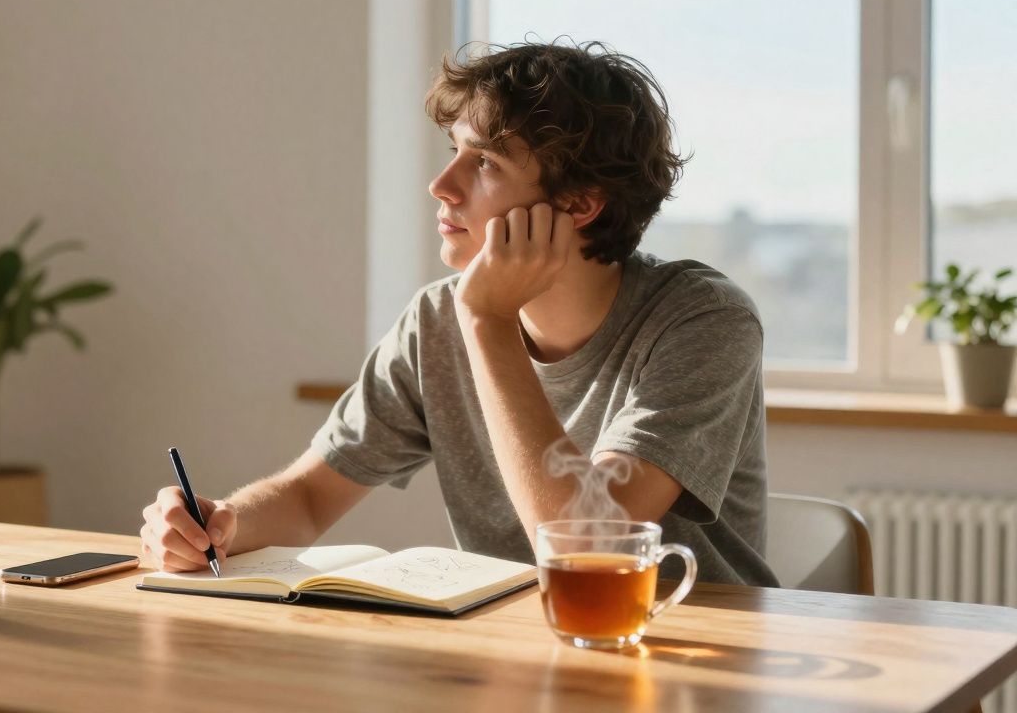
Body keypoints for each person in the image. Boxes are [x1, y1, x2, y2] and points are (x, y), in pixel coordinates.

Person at [140, 41, 779, 587]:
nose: (441, 185)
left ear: (579, 204)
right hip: (513, 651)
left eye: (485, 163)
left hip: (690, 652)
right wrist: (220, 525)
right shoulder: (438, 319)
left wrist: (488, 322)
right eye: (454, 151)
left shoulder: (703, 321)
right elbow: (309, 497)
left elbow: (590, 549)